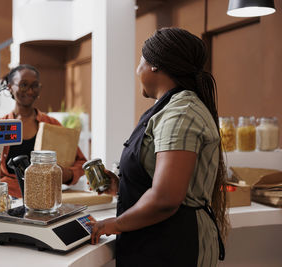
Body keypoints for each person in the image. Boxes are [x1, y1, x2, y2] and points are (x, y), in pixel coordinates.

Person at [88, 27, 228, 267]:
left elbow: (165, 198)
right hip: (155, 241)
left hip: (174, 246)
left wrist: (114, 224)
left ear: (154, 64)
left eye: (140, 60)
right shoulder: (167, 108)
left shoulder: (181, 113)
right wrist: (122, 186)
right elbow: (164, 181)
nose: (137, 69)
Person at [0, 64, 87, 198]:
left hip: (47, 197)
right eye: (23, 85)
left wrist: (66, 174)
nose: (30, 91)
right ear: (10, 87)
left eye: (35, 85)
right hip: (9, 198)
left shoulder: (52, 124)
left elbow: (81, 162)